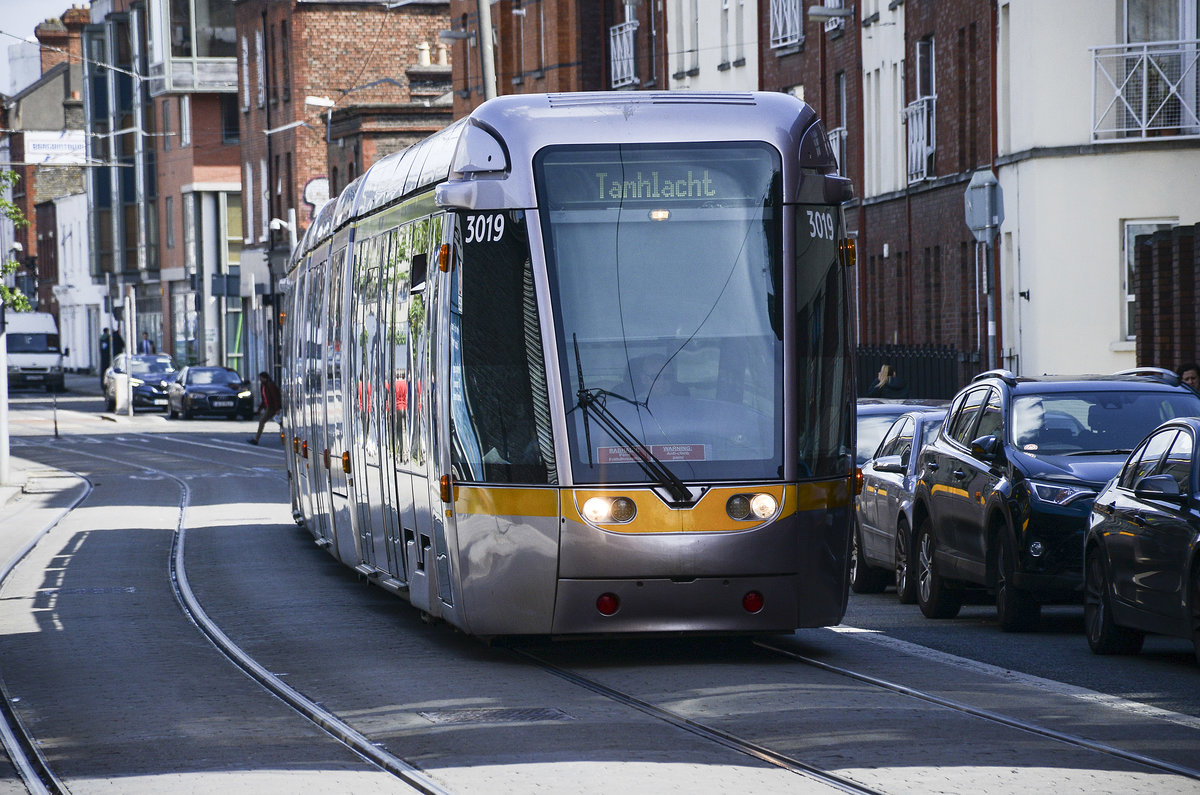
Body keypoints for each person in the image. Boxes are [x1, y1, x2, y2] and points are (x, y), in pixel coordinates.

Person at [248, 371, 282, 445]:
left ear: (265, 378)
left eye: (261, 378)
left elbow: (275, 397)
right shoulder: (263, 386)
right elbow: (264, 399)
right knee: (279, 422)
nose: (260, 380)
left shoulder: (270, 385)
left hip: (272, 407)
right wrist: (259, 409)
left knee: (262, 421)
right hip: (268, 407)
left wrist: (277, 408)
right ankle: (286, 434)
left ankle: (256, 439)